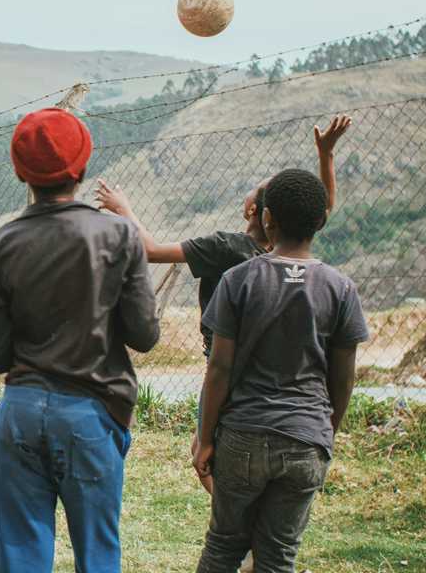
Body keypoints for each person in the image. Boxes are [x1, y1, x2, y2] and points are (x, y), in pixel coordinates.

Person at [95, 115, 351, 493]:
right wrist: (325, 156)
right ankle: (245, 518)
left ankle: (235, 520)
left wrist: (124, 209)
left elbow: (149, 250)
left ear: (256, 211)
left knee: (206, 451)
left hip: (228, 366)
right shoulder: (286, 252)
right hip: (276, 369)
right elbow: (321, 208)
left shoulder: (225, 247)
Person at [0, 107, 159, 573]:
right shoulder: (118, 235)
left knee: (20, 556)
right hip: (91, 415)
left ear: (20, 172)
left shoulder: (0, 244)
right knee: (97, 556)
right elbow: (144, 334)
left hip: (18, 414)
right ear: (83, 164)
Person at [192, 168, 369, 572]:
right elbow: (343, 379)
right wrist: (324, 432)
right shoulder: (340, 288)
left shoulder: (238, 280)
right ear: (321, 221)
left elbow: (219, 367)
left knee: (223, 547)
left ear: (266, 218)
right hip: (306, 438)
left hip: (242, 437)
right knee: (277, 557)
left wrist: (205, 437)